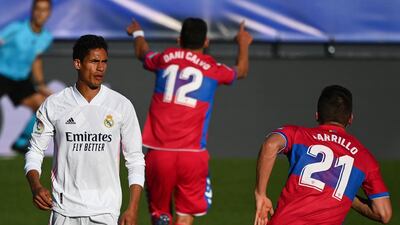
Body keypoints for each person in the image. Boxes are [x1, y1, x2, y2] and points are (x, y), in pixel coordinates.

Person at [126, 18, 253, 225]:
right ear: (206, 42)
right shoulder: (213, 68)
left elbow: (142, 53)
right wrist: (243, 43)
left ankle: (162, 217)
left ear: (179, 39)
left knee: (160, 214)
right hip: (192, 155)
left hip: (159, 152)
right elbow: (241, 70)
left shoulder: (165, 58)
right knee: (185, 215)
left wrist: (138, 33)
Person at [24, 35, 145, 225]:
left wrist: (133, 208)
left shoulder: (121, 105)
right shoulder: (55, 104)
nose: (101, 68)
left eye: (104, 61)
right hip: (64, 212)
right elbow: (35, 151)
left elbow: (136, 159)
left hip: (105, 212)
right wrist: (36, 186)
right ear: (78, 63)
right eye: (94, 61)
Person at [254, 85, 392, 225]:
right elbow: (383, 213)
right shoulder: (365, 158)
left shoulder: (298, 135)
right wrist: (344, 191)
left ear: (317, 115)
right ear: (350, 118)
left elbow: (270, 145)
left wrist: (261, 194)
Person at [0, 0, 53, 153]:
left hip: (21, 80)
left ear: (49, 13)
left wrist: (41, 84)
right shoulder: (16, 29)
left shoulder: (46, 37)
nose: (40, 13)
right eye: (37, 9)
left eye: (44, 10)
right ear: (32, 10)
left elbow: (36, 60)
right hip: (1, 75)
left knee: (43, 106)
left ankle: (21, 141)